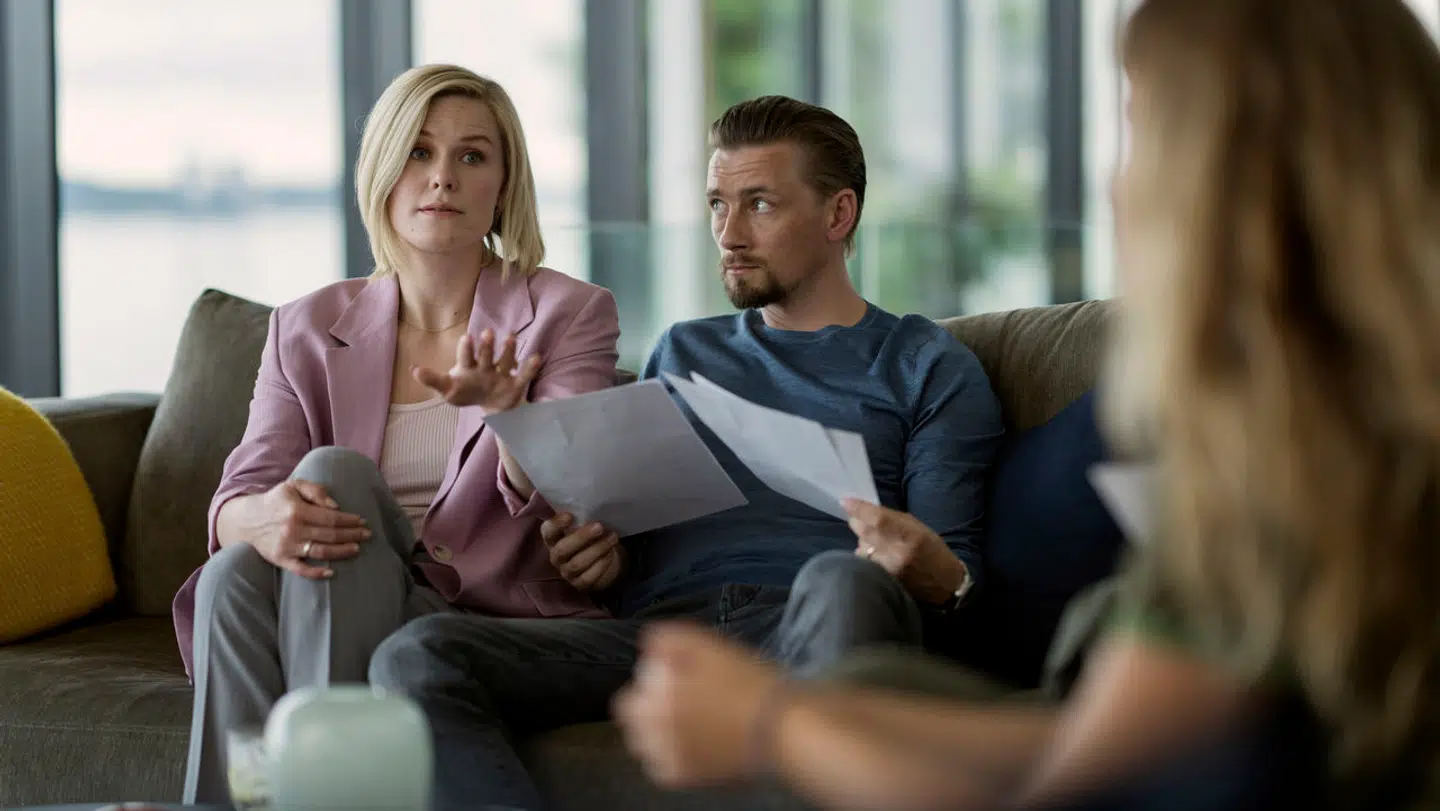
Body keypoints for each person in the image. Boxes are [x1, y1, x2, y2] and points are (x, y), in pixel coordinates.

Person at [611, 1, 1440, 809]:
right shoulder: (1244, 412)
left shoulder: (1285, 450)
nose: (1118, 184)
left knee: (854, 633)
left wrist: (774, 723)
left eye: (1146, 132)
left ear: (1238, 179)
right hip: (1035, 702)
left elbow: (1090, 766)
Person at [367, 95, 1005, 811]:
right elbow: (627, 537)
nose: (728, 233)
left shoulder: (924, 364)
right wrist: (600, 556)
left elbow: (959, 585)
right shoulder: (684, 347)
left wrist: (926, 567)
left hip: (816, 617)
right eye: (716, 204)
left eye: (759, 203)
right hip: (663, 638)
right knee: (417, 652)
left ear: (838, 215)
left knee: (840, 579)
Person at [171, 63, 621, 804]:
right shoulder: (305, 326)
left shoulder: (567, 312)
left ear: (501, 187)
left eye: (471, 156)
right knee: (231, 576)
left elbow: (578, 488)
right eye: (418, 151)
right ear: (383, 170)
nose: (441, 175)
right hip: (334, 597)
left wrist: (514, 417)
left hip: (483, 625)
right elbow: (239, 495)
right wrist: (262, 517)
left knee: (333, 474)